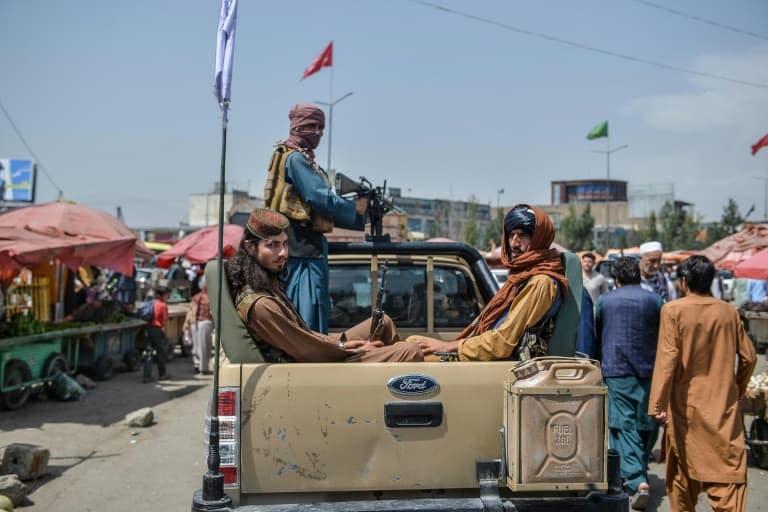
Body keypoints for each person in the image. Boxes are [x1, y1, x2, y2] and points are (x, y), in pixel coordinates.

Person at [226, 208, 422, 363]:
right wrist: (349, 348)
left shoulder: (267, 286)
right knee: (410, 351)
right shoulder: (261, 305)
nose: (283, 253)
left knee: (383, 322)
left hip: (319, 354)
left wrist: (342, 342)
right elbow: (308, 351)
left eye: (284, 244)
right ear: (250, 248)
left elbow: (305, 336)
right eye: (273, 245)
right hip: (313, 368)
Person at [649, 255, 757, 512]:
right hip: (723, 410)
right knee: (728, 477)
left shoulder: (673, 310)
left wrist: (657, 404)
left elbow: (667, 359)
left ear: (684, 282)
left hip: (687, 409)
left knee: (682, 480)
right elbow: (750, 357)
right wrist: (736, 388)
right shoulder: (729, 312)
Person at [412, 205, 568, 361]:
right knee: (411, 343)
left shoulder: (541, 283)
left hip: (498, 362)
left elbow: (502, 343)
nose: (514, 243)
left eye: (523, 235)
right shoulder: (523, 277)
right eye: (511, 235)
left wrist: (446, 346)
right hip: (485, 353)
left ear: (539, 239)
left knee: (409, 355)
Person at [264, 103, 367, 334]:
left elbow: (320, 208)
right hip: (303, 253)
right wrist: (356, 210)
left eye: (321, 127)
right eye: (312, 126)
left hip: (305, 250)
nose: (319, 132)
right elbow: (319, 198)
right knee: (308, 318)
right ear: (298, 127)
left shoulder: (298, 157)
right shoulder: (296, 159)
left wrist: (358, 218)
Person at [595, 257, 662, 510]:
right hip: (649, 369)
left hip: (616, 368)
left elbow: (597, 331)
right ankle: (639, 467)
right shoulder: (654, 299)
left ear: (616, 279)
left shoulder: (605, 301)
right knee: (647, 421)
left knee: (623, 426)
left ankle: (636, 480)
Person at [143, 285, 172, 383]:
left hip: (148, 328)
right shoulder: (163, 305)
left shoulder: (152, 302)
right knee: (161, 352)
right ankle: (162, 374)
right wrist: (166, 334)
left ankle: (147, 376)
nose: (168, 296)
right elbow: (165, 320)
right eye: (167, 294)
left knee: (148, 352)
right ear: (161, 295)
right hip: (157, 330)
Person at [185, 279, 213, 375]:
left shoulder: (196, 297)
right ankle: (203, 368)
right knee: (205, 347)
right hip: (205, 323)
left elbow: (190, 312)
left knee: (197, 346)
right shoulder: (209, 298)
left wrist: (187, 324)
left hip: (194, 324)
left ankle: (197, 365)